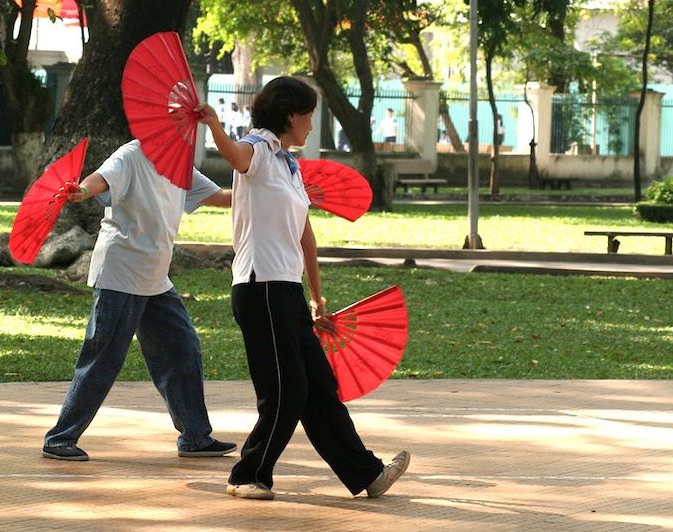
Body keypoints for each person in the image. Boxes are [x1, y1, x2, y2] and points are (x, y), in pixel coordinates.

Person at [195, 76, 410, 501]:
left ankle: (367, 474)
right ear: (289, 115)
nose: (311, 124)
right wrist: (215, 126)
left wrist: (316, 298)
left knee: (318, 387)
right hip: (260, 288)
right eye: (308, 115)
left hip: (287, 290)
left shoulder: (289, 167)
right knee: (286, 390)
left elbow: (305, 236)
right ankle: (248, 475)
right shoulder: (258, 149)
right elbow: (236, 158)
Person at [42, 137, 236, 462]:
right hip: (122, 269)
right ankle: (60, 438)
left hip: (155, 275)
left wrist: (269, 192)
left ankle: (195, 437)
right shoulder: (131, 154)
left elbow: (217, 196)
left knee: (182, 349)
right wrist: (83, 191)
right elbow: (100, 179)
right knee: (103, 355)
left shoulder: (179, 161)